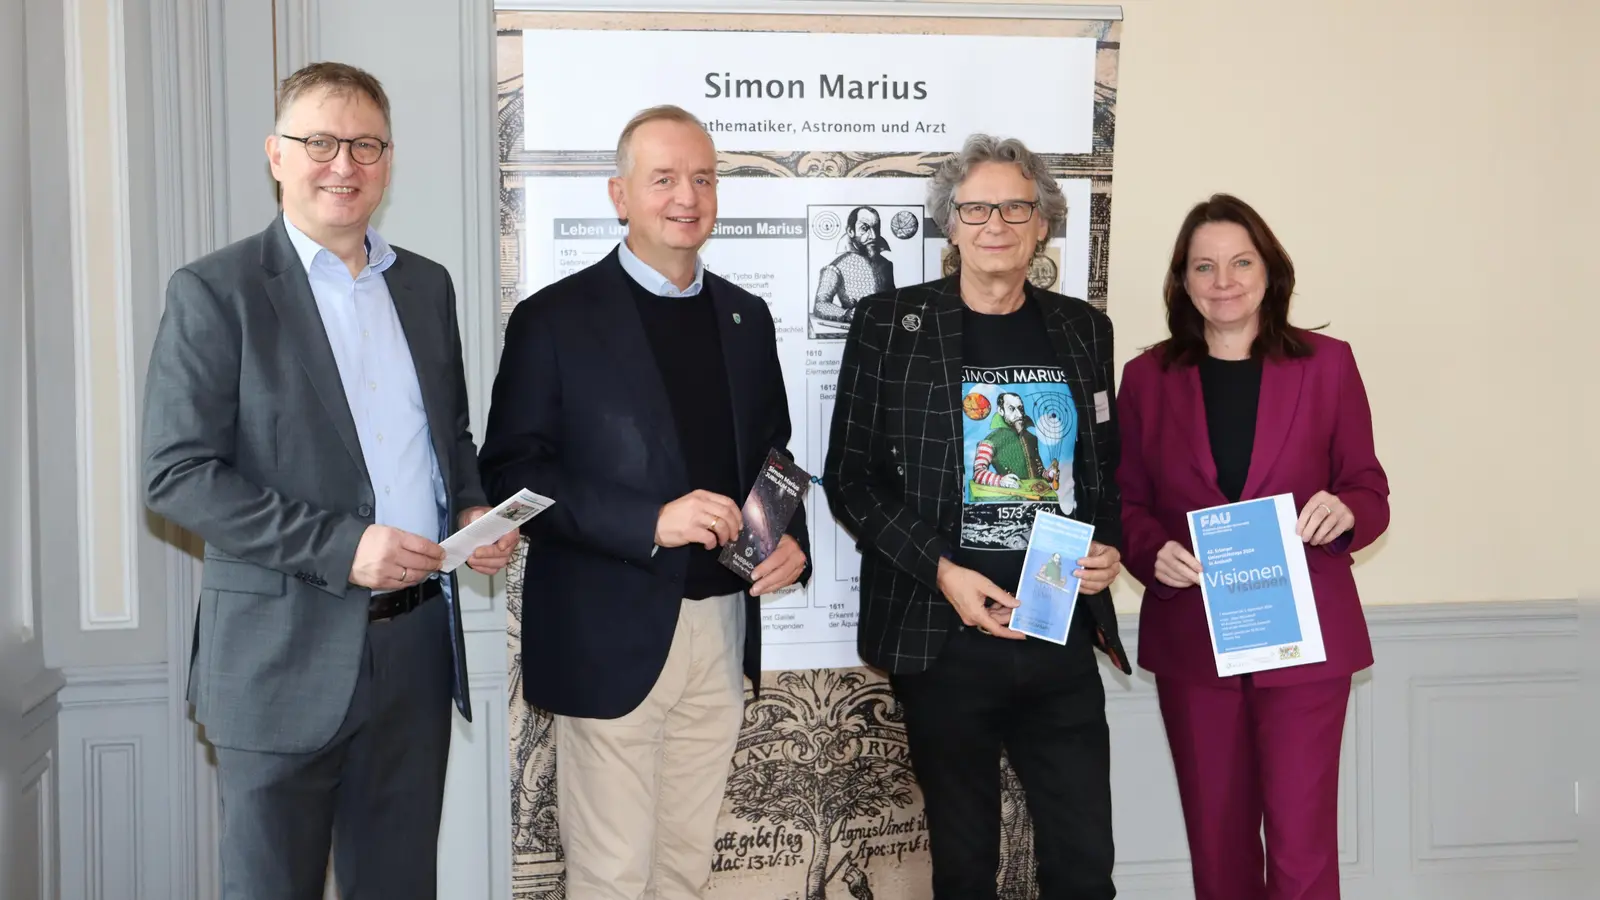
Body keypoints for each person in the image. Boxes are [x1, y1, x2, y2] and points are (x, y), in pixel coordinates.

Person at [140, 62, 519, 899]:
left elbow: (444, 436)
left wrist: (471, 509)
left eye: (365, 145)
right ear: (277, 154)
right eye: (320, 142)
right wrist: (346, 548)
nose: (343, 164)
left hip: (415, 651)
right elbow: (177, 475)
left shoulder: (425, 287)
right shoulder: (216, 291)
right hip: (278, 664)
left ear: (388, 160)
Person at [478, 104, 810, 900]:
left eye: (702, 177)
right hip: (610, 635)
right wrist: (648, 522)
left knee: (685, 871)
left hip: (721, 628)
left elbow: (774, 460)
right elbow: (512, 476)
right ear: (620, 194)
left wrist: (787, 543)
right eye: (663, 179)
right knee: (613, 878)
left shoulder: (745, 316)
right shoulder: (553, 320)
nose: (686, 196)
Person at [823, 133, 1129, 900]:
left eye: (1016, 206)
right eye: (977, 207)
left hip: (1059, 635)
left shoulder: (1083, 330)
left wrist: (1109, 546)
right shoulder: (889, 323)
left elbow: (1103, 470)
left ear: (1044, 222)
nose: (997, 222)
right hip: (944, 639)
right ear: (950, 224)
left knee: (1086, 867)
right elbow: (850, 480)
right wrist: (944, 572)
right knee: (965, 872)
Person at [1116, 193, 1391, 900]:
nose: (1224, 280)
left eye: (1241, 262)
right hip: (1195, 637)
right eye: (1203, 266)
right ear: (1182, 282)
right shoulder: (1147, 378)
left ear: (1271, 271)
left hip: (1304, 641)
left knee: (1302, 851)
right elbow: (1128, 503)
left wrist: (1344, 510)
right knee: (1217, 845)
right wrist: (1152, 554)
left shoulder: (1328, 364)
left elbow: (1368, 489)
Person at [812, 205, 896, 328]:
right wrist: (848, 314)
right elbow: (820, 305)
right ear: (851, 231)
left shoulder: (885, 265)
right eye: (864, 228)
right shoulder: (836, 268)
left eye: (876, 228)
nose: (873, 235)